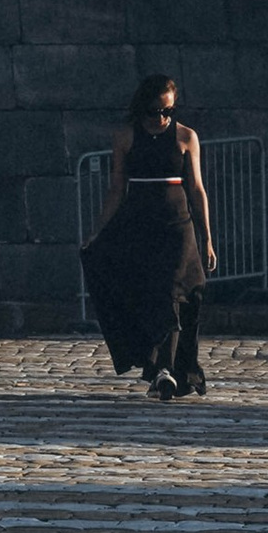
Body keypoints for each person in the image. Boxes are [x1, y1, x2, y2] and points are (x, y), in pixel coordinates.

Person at [82, 71, 213, 399]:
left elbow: (196, 189)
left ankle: (167, 370)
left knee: (177, 292)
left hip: (177, 225)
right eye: (155, 111)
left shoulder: (186, 137)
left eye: (168, 111)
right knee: (147, 293)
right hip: (140, 222)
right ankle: (158, 369)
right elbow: (116, 189)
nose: (161, 118)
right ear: (142, 108)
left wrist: (207, 237)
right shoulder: (126, 137)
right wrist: (97, 231)